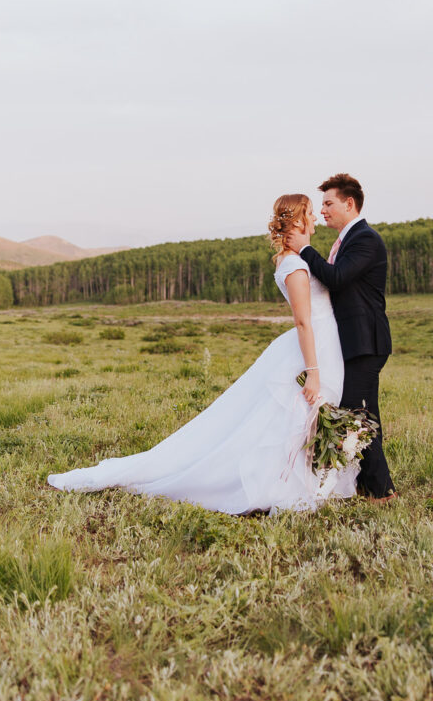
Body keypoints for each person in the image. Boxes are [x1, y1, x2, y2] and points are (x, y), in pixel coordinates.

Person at [47, 195, 358, 514]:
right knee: (288, 420)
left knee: (299, 420)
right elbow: (303, 321)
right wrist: (314, 372)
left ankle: (307, 480)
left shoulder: (297, 258)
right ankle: (279, 484)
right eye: (310, 212)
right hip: (311, 349)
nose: (315, 217)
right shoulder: (293, 265)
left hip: (323, 343)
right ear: (297, 220)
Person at [287, 173, 396, 502]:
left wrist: (305, 249)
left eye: (329, 203)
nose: (322, 211)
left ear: (350, 204)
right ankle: (370, 486)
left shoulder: (365, 239)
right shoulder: (347, 240)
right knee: (360, 412)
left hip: (366, 341)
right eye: (321, 205)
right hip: (351, 341)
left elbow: (336, 277)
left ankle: (380, 491)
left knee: (357, 413)